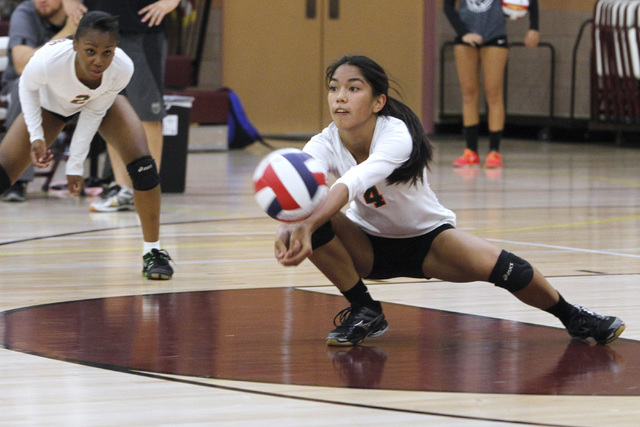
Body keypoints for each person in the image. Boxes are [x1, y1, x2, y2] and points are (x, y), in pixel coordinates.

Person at [274, 55, 625, 347]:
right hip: (367, 247)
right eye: (334, 88)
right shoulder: (325, 141)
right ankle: (365, 309)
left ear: (378, 101)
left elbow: (356, 180)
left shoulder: (396, 133)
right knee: (308, 209)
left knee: (511, 270)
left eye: (353, 88)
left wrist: (303, 222)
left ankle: (574, 317)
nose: (340, 97)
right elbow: (301, 184)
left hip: (430, 242)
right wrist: (292, 222)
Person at [0, 11, 174, 280]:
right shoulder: (49, 59)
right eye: (90, 51)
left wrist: (75, 165)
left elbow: (93, 113)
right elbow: (27, 88)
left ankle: (153, 252)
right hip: (49, 107)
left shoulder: (122, 68)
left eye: (107, 52)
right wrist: (36, 136)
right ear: (75, 45)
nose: (98, 61)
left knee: (144, 170)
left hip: (97, 104)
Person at [62, 0, 179, 212]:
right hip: (98, 26)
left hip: (141, 26)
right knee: (110, 110)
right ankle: (124, 189)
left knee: (147, 115)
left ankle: (147, 189)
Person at [443, 0, 540, 169]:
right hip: (465, 38)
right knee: (469, 94)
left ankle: (494, 151)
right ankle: (470, 151)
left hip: (495, 36)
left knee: (494, 93)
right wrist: (463, 32)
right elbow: (447, 6)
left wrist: (534, 27)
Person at [1, 0, 77, 202]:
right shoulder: (25, 13)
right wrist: (68, 32)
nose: (41, 0)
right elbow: (22, 65)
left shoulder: (83, 13)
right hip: (28, 84)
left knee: (115, 96)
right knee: (25, 87)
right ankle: (14, 180)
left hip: (71, 88)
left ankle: (115, 180)